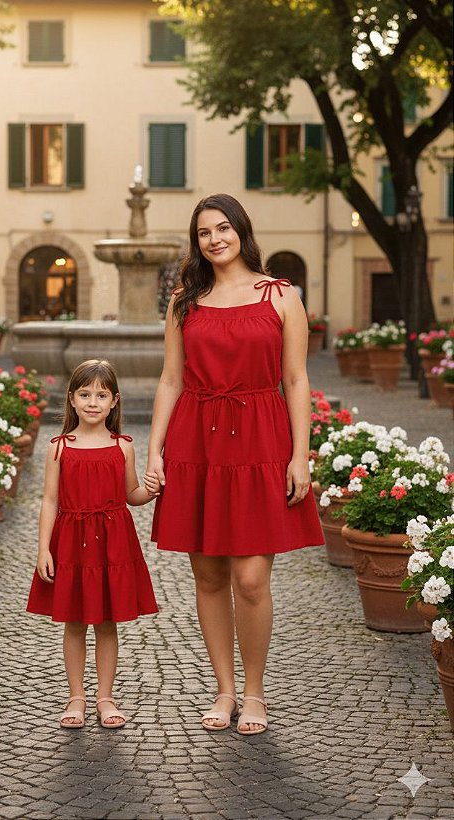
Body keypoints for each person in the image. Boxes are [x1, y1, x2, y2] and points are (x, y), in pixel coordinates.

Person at [144, 193, 324, 736]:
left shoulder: (282, 296)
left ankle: (254, 692)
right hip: (196, 439)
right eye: (204, 232)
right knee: (208, 572)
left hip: (261, 439)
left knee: (250, 578)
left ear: (242, 231)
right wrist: (154, 449)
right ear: (195, 242)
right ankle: (224, 690)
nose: (215, 239)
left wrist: (300, 454)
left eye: (223, 228)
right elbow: (170, 379)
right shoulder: (185, 301)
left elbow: (295, 379)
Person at [26, 359, 160, 730]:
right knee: (73, 622)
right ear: (71, 399)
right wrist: (43, 549)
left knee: (105, 622)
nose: (92, 402)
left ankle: (105, 696)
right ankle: (76, 697)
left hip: (112, 543)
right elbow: (49, 500)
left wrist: (150, 491)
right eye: (85, 394)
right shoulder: (58, 447)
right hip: (70, 542)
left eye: (101, 395)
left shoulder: (123, 447)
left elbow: (131, 494)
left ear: (115, 401)